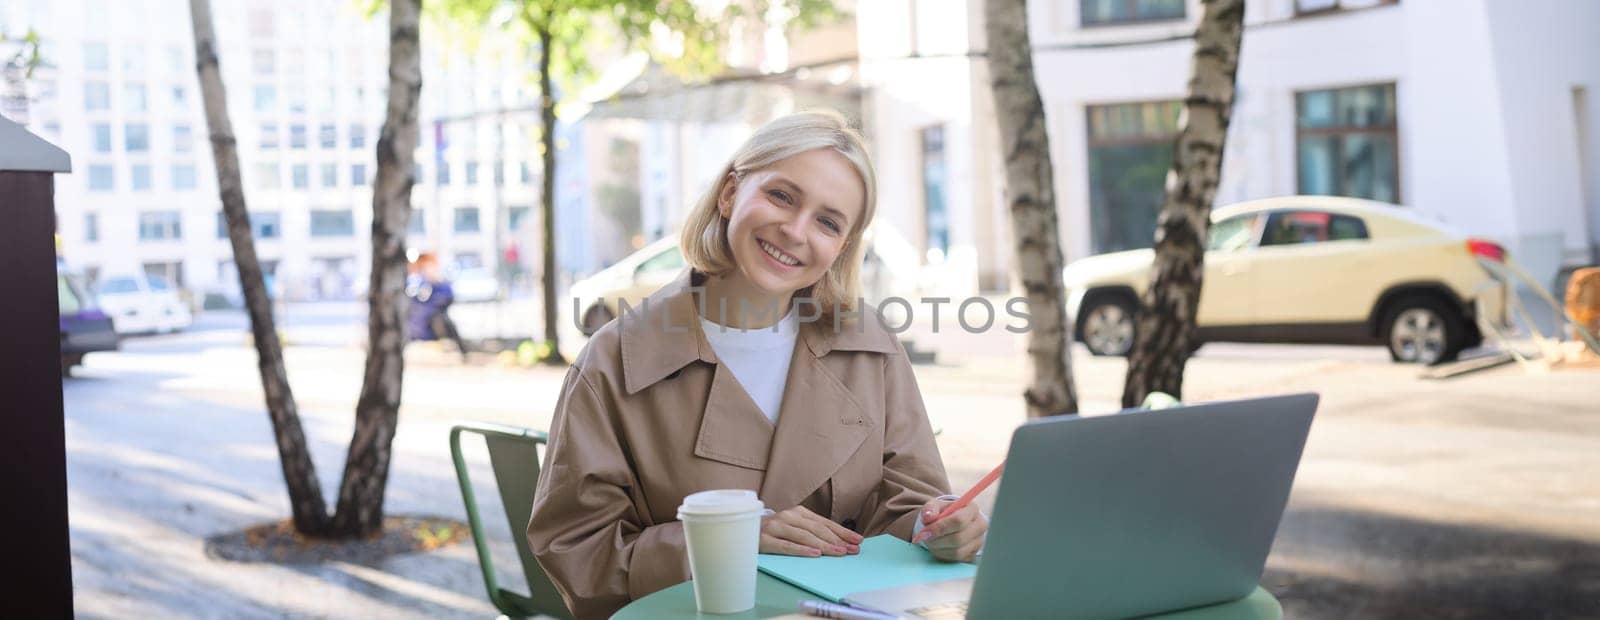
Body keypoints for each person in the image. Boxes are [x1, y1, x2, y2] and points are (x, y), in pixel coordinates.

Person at [526, 111, 988, 619]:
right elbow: (577, 554)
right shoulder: (617, 358)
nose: (795, 231)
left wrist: (943, 530)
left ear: (842, 249)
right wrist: (730, 540)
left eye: (828, 222)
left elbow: (910, 506)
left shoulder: (870, 346)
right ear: (729, 194)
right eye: (782, 196)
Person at [405, 252, 468, 361]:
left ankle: (463, 352)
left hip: (432, 317)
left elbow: (447, 297)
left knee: (443, 321)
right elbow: (414, 297)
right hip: (418, 320)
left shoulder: (437, 283)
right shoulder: (416, 281)